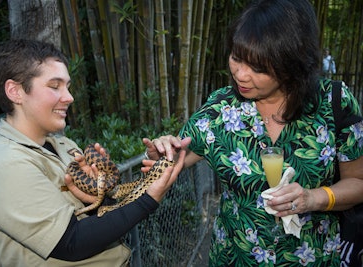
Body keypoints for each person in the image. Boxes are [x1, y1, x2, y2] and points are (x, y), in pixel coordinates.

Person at [143, 0, 363, 266]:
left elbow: (358, 184)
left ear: (291, 64)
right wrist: (161, 153)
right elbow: (177, 157)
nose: (240, 75)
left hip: (313, 258)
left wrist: (313, 198)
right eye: (236, 57)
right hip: (234, 258)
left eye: (258, 68)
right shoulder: (221, 107)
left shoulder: (333, 102)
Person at [0, 39, 185, 266]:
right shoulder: (2, 166)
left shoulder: (64, 145)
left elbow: (101, 215)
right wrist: (148, 198)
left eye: (67, 86)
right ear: (15, 91)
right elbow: (72, 242)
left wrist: (148, 170)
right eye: (54, 86)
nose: (69, 97)